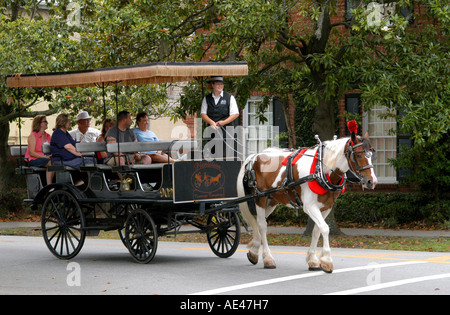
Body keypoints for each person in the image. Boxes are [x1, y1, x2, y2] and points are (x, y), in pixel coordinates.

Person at [200, 76, 240, 157]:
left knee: (224, 155)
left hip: (226, 131)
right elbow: (203, 114)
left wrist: (224, 122)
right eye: (218, 84)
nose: (220, 86)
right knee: (213, 153)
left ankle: (224, 169)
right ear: (212, 85)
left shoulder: (229, 97)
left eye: (222, 84)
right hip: (212, 130)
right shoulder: (207, 98)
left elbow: (235, 113)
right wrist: (211, 122)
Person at [24, 115, 54, 185]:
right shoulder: (33, 136)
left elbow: (51, 148)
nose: (47, 123)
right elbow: (32, 152)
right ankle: (49, 186)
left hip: (46, 157)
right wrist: (45, 157)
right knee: (50, 162)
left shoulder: (48, 136)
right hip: (33, 159)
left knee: (58, 160)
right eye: (45, 121)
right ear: (39, 123)